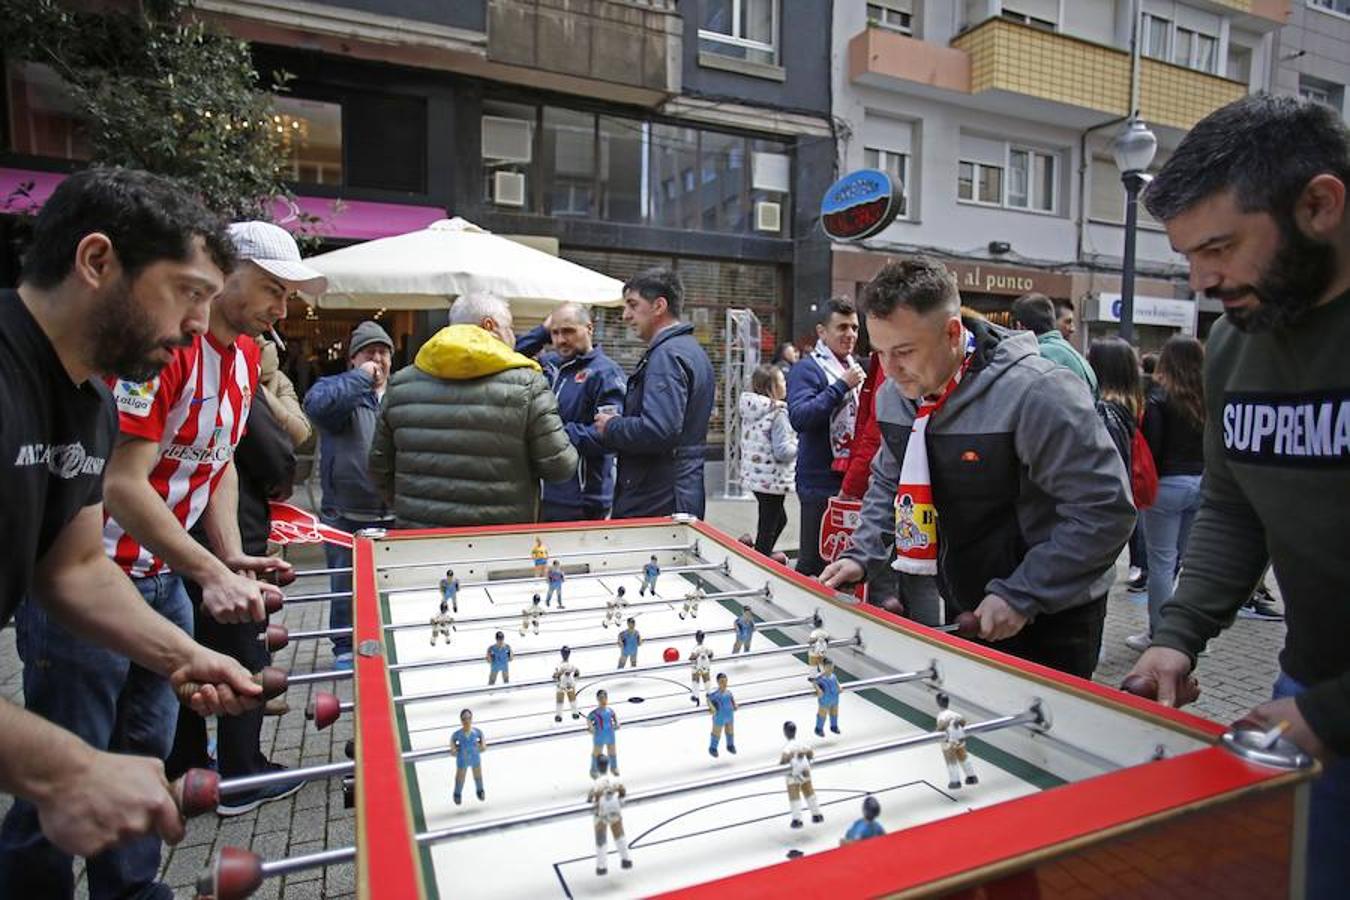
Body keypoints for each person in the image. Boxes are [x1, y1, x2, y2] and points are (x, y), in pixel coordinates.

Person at [0, 167, 263, 900]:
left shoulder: (88, 401)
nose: (196, 324)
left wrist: (182, 654)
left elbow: (76, 567)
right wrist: (68, 769)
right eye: (187, 293)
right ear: (96, 262)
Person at [1124, 94, 1350, 898]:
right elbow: (1232, 504)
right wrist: (1178, 636)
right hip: (1306, 690)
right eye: (1189, 256)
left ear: (1320, 205)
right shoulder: (1233, 344)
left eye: (1219, 246)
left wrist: (1330, 715)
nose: (1203, 279)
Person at [96, 221, 319, 823]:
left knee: (151, 749)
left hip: (165, 575)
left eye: (287, 294)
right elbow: (119, 483)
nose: (282, 306)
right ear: (226, 274)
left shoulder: (247, 356)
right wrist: (211, 572)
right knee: (83, 757)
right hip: (96, 577)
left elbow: (218, 463)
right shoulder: (164, 348)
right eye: (273, 288)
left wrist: (225, 557)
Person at [822, 258, 1134, 679]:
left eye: (904, 351)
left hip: (1054, 613)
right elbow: (888, 480)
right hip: (968, 598)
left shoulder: (1039, 393)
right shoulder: (897, 396)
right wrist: (862, 554)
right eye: (879, 353)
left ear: (953, 333)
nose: (890, 371)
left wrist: (1023, 593)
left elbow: (1105, 511)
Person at [369, 293, 577, 527]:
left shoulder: (400, 383)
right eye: (510, 327)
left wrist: (409, 506)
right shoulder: (528, 385)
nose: (513, 336)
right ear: (490, 326)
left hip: (420, 537)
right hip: (498, 541)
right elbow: (560, 467)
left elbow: (378, 465)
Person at [303, 319, 395, 669]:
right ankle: (343, 643)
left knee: (387, 582)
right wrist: (360, 380)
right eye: (370, 352)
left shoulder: (399, 394)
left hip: (391, 509)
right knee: (344, 581)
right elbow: (316, 407)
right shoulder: (336, 390)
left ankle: (386, 640)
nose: (379, 359)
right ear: (353, 360)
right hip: (344, 511)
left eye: (384, 352)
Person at [595, 268, 714, 518]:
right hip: (676, 493)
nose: (626, 315)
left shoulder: (667, 355)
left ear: (659, 306)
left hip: (655, 498)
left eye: (633, 305)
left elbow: (660, 430)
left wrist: (612, 426)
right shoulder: (689, 350)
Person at [1126, 335, 1206, 653]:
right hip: (1200, 484)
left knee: (1161, 562)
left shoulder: (1158, 397)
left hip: (1167, 487)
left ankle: (1159, 634)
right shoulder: (1206, 397)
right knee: (1181, 563)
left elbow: (1152, 449)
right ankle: (1187, 635)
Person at [515, 302, 627, 521]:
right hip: (542, 493)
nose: (560, 340)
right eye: (554, 333)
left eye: (568, 331)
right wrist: (541, 332)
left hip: (582, 500)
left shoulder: (605, 373)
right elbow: (509, 353)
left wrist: (552, 434)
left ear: (589, 329)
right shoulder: (551, 365)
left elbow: (609, 435)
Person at [788, 297, 865, 576]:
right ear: (822, 332)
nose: (851, 335)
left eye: (855, 328)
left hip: (850, 482)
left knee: (843, 563)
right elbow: (800, 417)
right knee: (815, 563)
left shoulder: (853, 367)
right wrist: (840, 387)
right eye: (842, 327)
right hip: (819, 484)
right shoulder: (808, 369)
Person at [739, 364, 797, 556]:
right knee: (770, 524)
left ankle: (759, 551)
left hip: (756, 477)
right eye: (781, 380)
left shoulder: (751, 410)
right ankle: (760, 558)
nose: (786, 383)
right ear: (770, 387)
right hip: (773, 479)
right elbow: (782, 452)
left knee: (776, 520)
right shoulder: (778, 413)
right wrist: (800, 445)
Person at [1011, 292, 1098, 396]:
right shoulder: (1073, 355)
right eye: (1067, 322)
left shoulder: (1039, 356)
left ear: (1019, 327)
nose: (1073, 329)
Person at [587, 755, 632, 875]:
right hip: (614, 808)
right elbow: (622, 789)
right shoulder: (615, 779)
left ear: (598, 767)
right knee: (619, 835)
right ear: (607, 765)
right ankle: (626, 859)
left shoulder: (597, 783)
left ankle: (601, 866)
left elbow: (592, 796)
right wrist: (621, 799)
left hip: (601, 812)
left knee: (601, 838)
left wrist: (592, 801)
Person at [779, 721, 824, 828]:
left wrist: (782, 762)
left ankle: (797, 819)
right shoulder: (802, 743)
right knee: (809, 792)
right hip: (805, 769)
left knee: (794, 795)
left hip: (794, 772)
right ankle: (817, 814)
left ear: (785, 732)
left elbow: (784, 758)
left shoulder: (788, 746)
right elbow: (810, 753)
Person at [934, 692, 978, 790]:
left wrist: (938, 729)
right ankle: (972, 776)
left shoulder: (942, 715)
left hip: (949, 742)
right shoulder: (955, 714)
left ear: (938, 702)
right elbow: (963, 722)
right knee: (964, 758)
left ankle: (955, 781)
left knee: (951, 761)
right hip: (960, 739)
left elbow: (941, 727)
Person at [451, 708, 486, 804]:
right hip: (463, 757)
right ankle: (457, 793)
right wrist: (453, 748)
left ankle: (480, 790)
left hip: (475, 755)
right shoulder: (458, 734)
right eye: (464, 719)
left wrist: (483, 744)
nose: (466, 721)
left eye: (468, 718)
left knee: (478, 775)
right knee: (460, 776)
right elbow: (452, 739)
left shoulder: (476, 732)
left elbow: (482, 736)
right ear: (461, 720)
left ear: (471, 719)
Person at [588, 689, 620, 777]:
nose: (603, 700)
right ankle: (594, 769)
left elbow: (614, 717)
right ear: (597, 699)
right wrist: (591, 727)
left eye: (604, 698)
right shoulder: (596, 713)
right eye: (601, 698)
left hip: (610, 733)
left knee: (612, 751)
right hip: (599, 734)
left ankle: (614, 767)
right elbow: (589, 718)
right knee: (597, 752)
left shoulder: (610, 710)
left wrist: (617, 723)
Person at [707, 673, 737, 756]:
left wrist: (734, 705)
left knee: (730, 731)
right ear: (718, 682)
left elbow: (732, 700)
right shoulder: (715, 695)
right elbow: (708, 699)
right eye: (722, 681)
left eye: (725, 681)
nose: (724, 683)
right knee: (716, 733)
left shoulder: (729, 693)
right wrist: (712, 708)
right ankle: (713, 748)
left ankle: (730, 745)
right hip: (719, 716)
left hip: (729, 715)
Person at [812, 657, 842, 736]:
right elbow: (814, 683)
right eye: (828, 666)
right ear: (824, 667)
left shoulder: (833, 676)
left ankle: (834, 726)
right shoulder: (820, 677)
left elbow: (836, 681)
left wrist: (839, 687)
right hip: (825, 698)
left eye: (831, 666)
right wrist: (819, 690)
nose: (830, 668)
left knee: (834, 712)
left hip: (834, 697)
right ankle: (819, 728)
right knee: (822, 713)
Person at [553, 645, 581, 722]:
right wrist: (560, 673)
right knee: (560, 699)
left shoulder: (571, 664)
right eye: (564, 653)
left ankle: (574, 713)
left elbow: (577, 671)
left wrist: (574, 675)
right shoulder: (559, 665)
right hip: (562, 683)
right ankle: (559, 715)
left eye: (566, 653)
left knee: (572, 698)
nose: (565, 655)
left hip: (568, 682)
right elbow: (555, 674)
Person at [688, 630, 714, 702]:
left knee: (695, 679)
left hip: (697, 664)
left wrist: (690, 658)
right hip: (705, 663)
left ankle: (696, 696)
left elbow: (693, 656)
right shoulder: (706, 647)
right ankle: (709, 693)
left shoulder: (696, 648)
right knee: (706, 678)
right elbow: (711, 654)